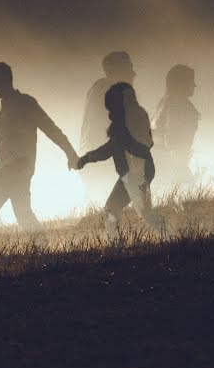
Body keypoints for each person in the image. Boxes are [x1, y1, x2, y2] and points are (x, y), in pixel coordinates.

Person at [0, 62, 79, 235]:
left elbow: (51, 129)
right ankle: (43, 250)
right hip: (13, 168)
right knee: (23, 214)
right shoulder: (7, 105)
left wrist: (71, 154)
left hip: (11, 168)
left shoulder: (24, 103)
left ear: (3, 80)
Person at [76, 82, 169, 239]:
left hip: (136, 172)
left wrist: (86, 158)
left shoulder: (128, 118)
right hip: (137, 170)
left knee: (114, 208)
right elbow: (145, 143)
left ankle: (117, 243)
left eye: (111, 104)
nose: (109, 109)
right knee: (136, 210)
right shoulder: (137, 114)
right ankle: (170, 235)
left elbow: (112, 148)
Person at [79, 51, 136, 203]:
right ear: (114, 71)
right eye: (129, 69)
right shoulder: (111, 91)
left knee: (99, 207)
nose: (134, 73)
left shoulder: (100, 88)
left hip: (94, 157)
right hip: (102, 160)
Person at [152, 64, 200, 187]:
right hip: (171, 163)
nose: (194, 85)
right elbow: (173, 138)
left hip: (160, 161)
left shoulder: (166, 101)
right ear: (181, 83)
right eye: (191, 81)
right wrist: (179, 165)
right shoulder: (178, 105)